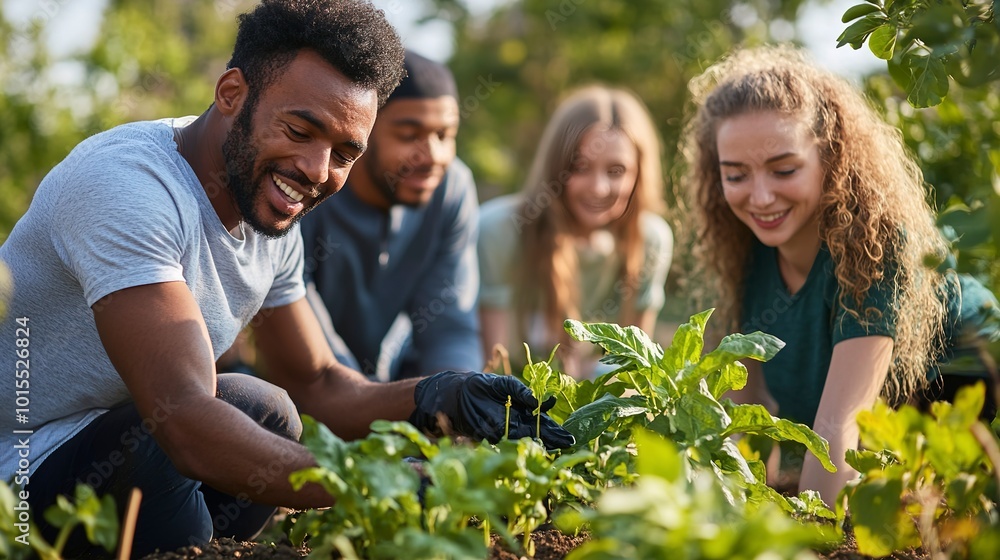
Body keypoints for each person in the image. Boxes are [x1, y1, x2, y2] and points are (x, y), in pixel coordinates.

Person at [0, 1, 571, 556]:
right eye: (300, 130)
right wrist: (383, 479)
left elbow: (319, 381)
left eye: (345, 153)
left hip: (98, 446)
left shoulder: (267, 211)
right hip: (15, 485)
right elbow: (186, 420)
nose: (317, 171)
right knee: (161, 440)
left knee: (267, 408)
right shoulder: (127, 188)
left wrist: (437, 395)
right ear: (231, 95)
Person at [682, 45, 1000, 507]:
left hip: (974, 389)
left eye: (784, 169)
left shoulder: (877, 244)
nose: (761, 196)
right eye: (736, 175)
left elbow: (839, 425)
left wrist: (804, 539)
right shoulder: (743, 252)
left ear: (831, 157)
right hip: (893, 437)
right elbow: (744, 416)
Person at [300, 50, 482, 382]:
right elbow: (305, 336)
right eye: (409, 135)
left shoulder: (451, 189)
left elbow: (450, 326)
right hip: (305, 383)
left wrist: (459, 401)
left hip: (390, 377)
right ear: (362, 129)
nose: (433, 156)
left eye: (444, 135)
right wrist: (366, 402)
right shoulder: (310, 184)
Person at [478, 85, 674, 379]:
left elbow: (634, 373)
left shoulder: (652, 240)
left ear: (639, 175)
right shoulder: (500, 230)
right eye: (580, 167)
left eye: (616, 171)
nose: (598, 188)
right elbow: (494, 369)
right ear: (555, 167)